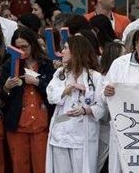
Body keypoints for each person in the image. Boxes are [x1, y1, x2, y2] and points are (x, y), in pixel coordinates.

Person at [45, 34, 107, 173]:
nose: (62, 52)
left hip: (81, 137)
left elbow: (100, 108)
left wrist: (84, 110)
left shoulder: (95, 77)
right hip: (60, 134)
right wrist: (67, 89)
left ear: (76, 51)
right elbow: (50, 96)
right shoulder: (61, 73)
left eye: (66, 48)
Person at [2, 29, 52, 173]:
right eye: (17, 48)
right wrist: (6, 88)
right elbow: (1, 97)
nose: (21, 51)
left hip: (41, 125)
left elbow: (55, 91)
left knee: (42, 167)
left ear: (33, 45)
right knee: (19, 167)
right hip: (17, 125)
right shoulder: (9, 65)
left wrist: (37, 82)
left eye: (25, 47)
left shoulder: (46, 64)